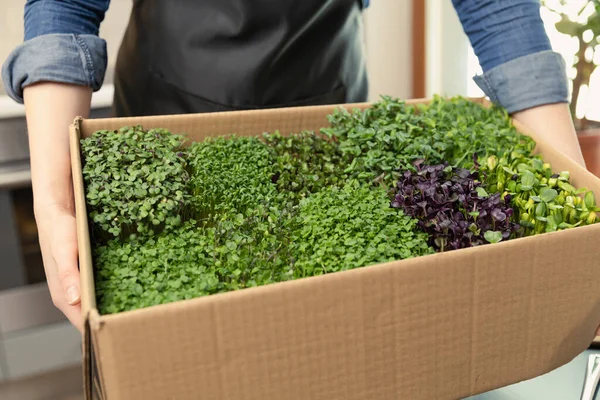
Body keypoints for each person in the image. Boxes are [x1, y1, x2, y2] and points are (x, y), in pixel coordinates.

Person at [0, 0, 591, 333]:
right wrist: (55, 203)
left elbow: (497, 7)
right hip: (169, 105)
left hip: (323, 99)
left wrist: (575, 199)